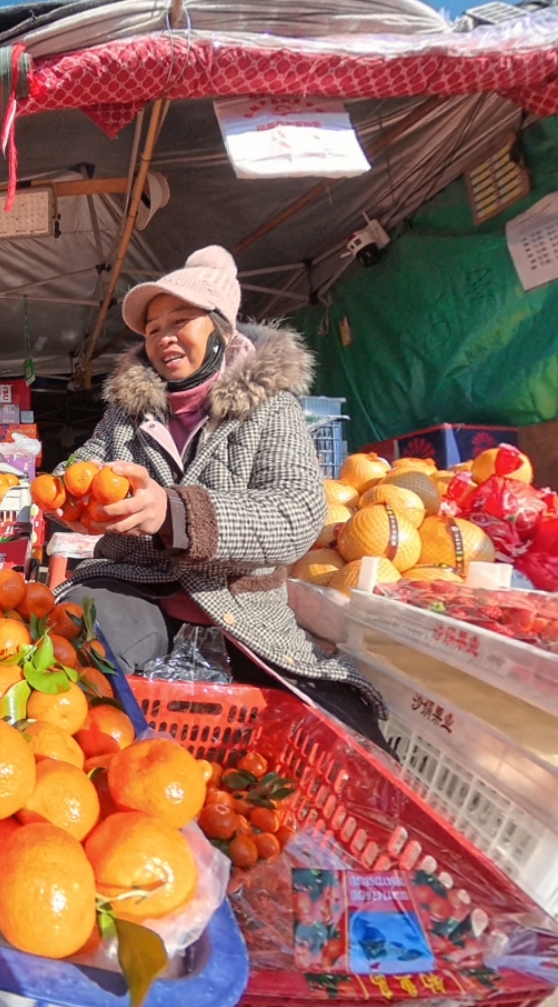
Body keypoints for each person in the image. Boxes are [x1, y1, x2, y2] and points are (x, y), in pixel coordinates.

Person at [55, 246, 387, 746]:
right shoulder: (127, 413)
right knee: (77, 658)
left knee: (331, 732)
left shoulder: (269, 407)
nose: (164, 337)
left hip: (242, 602)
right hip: (138, 583)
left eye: (180, 321)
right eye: (152, 329)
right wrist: (67, 500)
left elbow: (298, 513)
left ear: (221, 329)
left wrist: (174, 513)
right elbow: (78, 469)